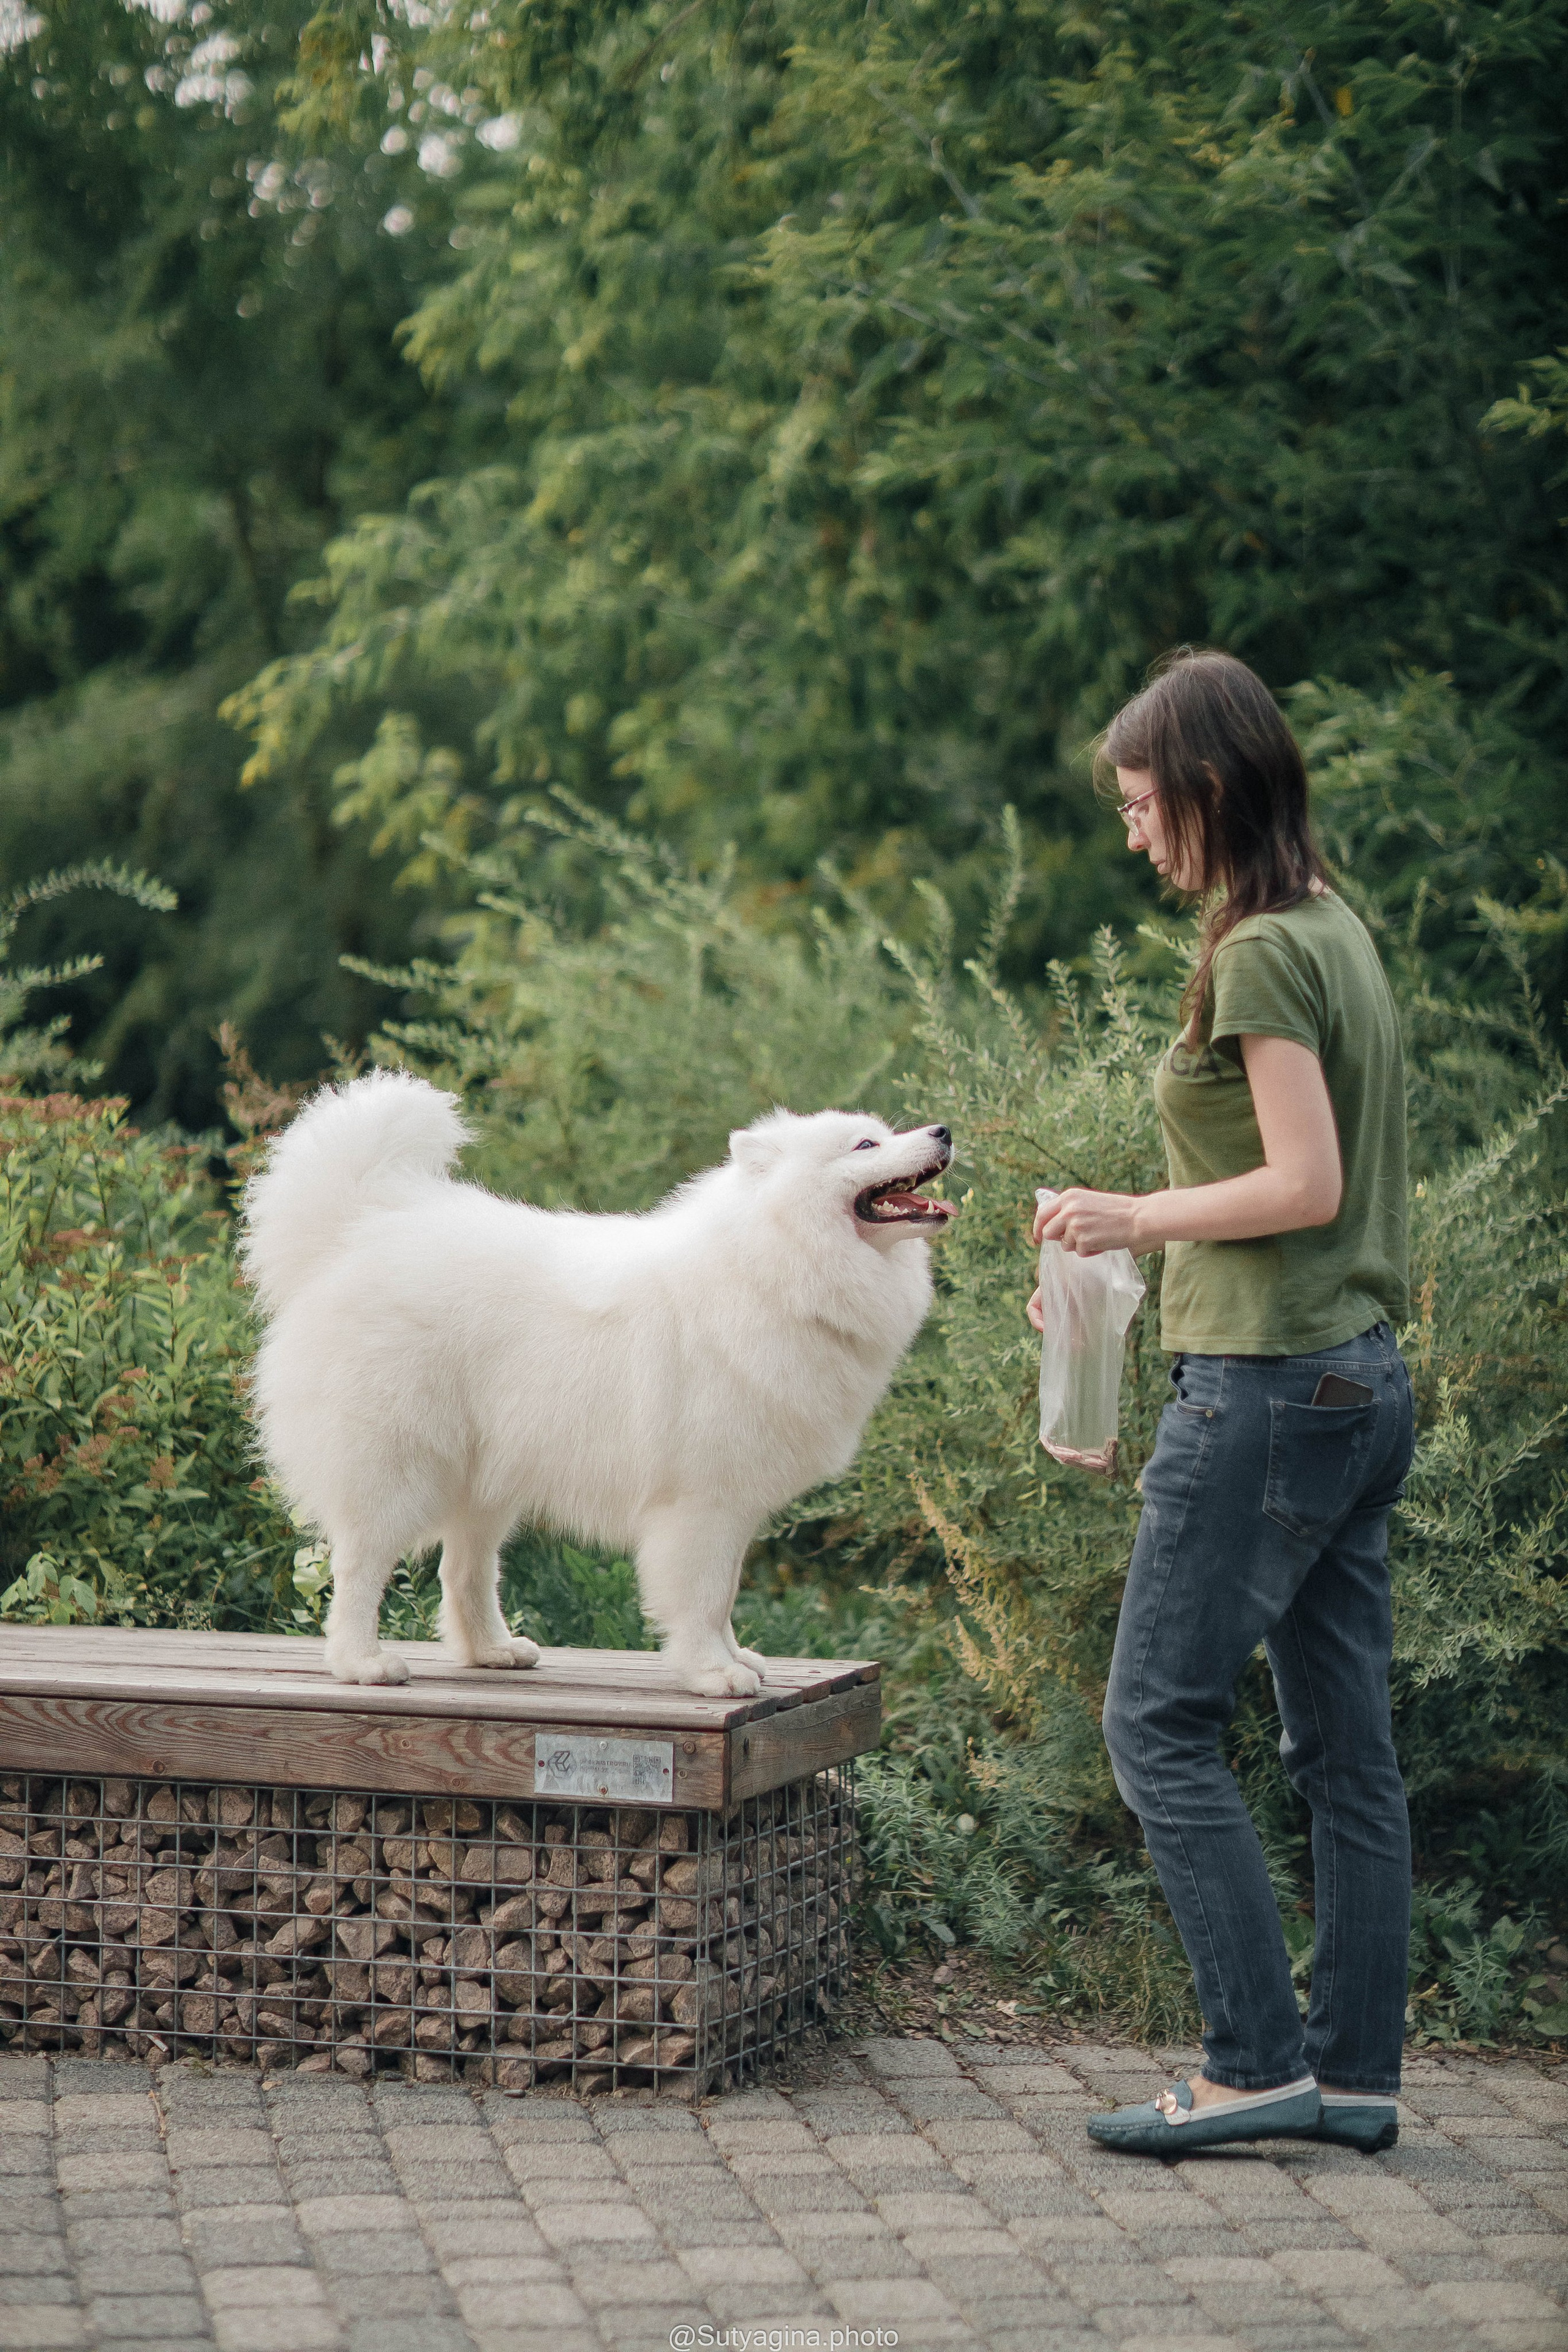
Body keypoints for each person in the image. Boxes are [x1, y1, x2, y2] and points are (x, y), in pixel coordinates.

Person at [1027, 649, 1414, 2156]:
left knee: (1154, 1726)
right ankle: (1355, 2076)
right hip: (1354, 1382)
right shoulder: (1338, 928)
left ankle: (1254, 2063)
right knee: (1342, 1753)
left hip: (1262, 1390)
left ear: (1200, 789)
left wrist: (1133, 1217)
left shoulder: (1259, 950)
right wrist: (1123, 1244)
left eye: (1138, 805)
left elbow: (1298, 1184)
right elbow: (1307, 1189)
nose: (1130, 833)